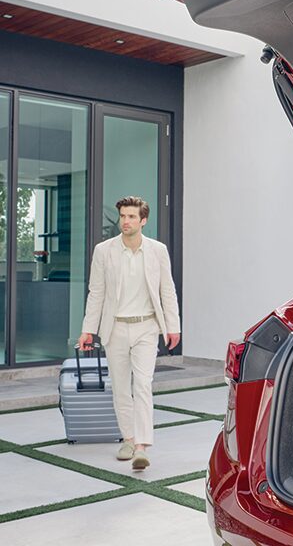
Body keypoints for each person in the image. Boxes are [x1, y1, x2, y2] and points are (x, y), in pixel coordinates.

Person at [77, 196, 180, 470]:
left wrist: (173, 326)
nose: (125, 221)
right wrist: (88, 329)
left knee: (142, 384)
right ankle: (129, 438)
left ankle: (142, 447)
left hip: (147, 327)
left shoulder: (157, 251)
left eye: (132, 217)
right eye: (123, 216)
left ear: (143, 220)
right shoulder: (104, 251)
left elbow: (166, 290)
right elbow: (96, 292)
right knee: (121, 387)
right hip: (115, 328)